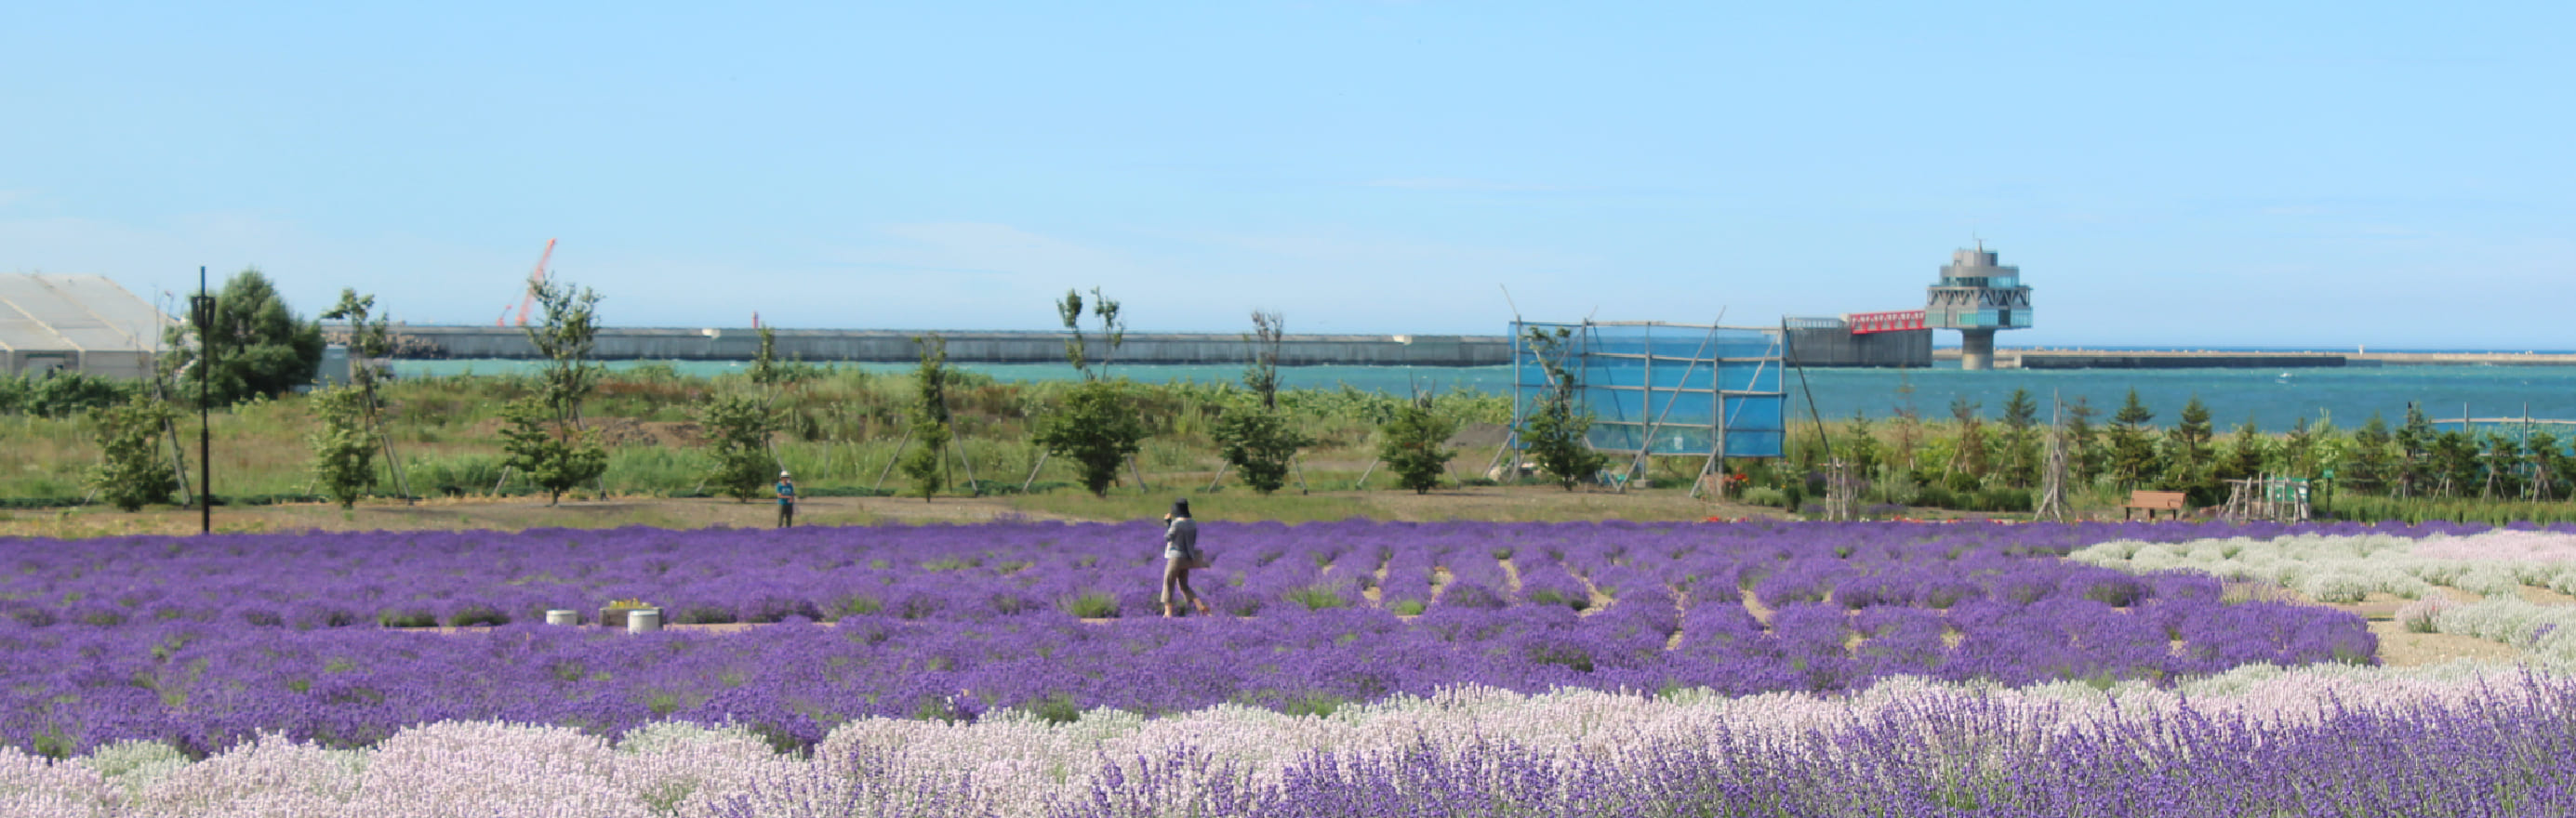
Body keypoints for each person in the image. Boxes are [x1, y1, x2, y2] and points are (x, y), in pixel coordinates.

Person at [1161, 498, 1211, 617]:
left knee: (1168, 583)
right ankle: (1200, 606)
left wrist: (1168, 522)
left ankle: (1168, 612)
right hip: (1187, 558)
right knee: (1184, 585)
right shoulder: (1193, 522)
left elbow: (1168, 537)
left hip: (1175, 558)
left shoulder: (1176, 524)